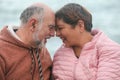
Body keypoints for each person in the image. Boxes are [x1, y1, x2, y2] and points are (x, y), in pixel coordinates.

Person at [52, 3, 120, 80]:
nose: (57, 34)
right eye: (55, 30)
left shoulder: (111, 50)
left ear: (80, 25)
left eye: (60, 28)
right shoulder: (59, 55)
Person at [0, 2, 55, 80]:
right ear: (33, 25)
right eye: (51, 27)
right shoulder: (2, 52)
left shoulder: (43, 51)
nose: (53, 34)